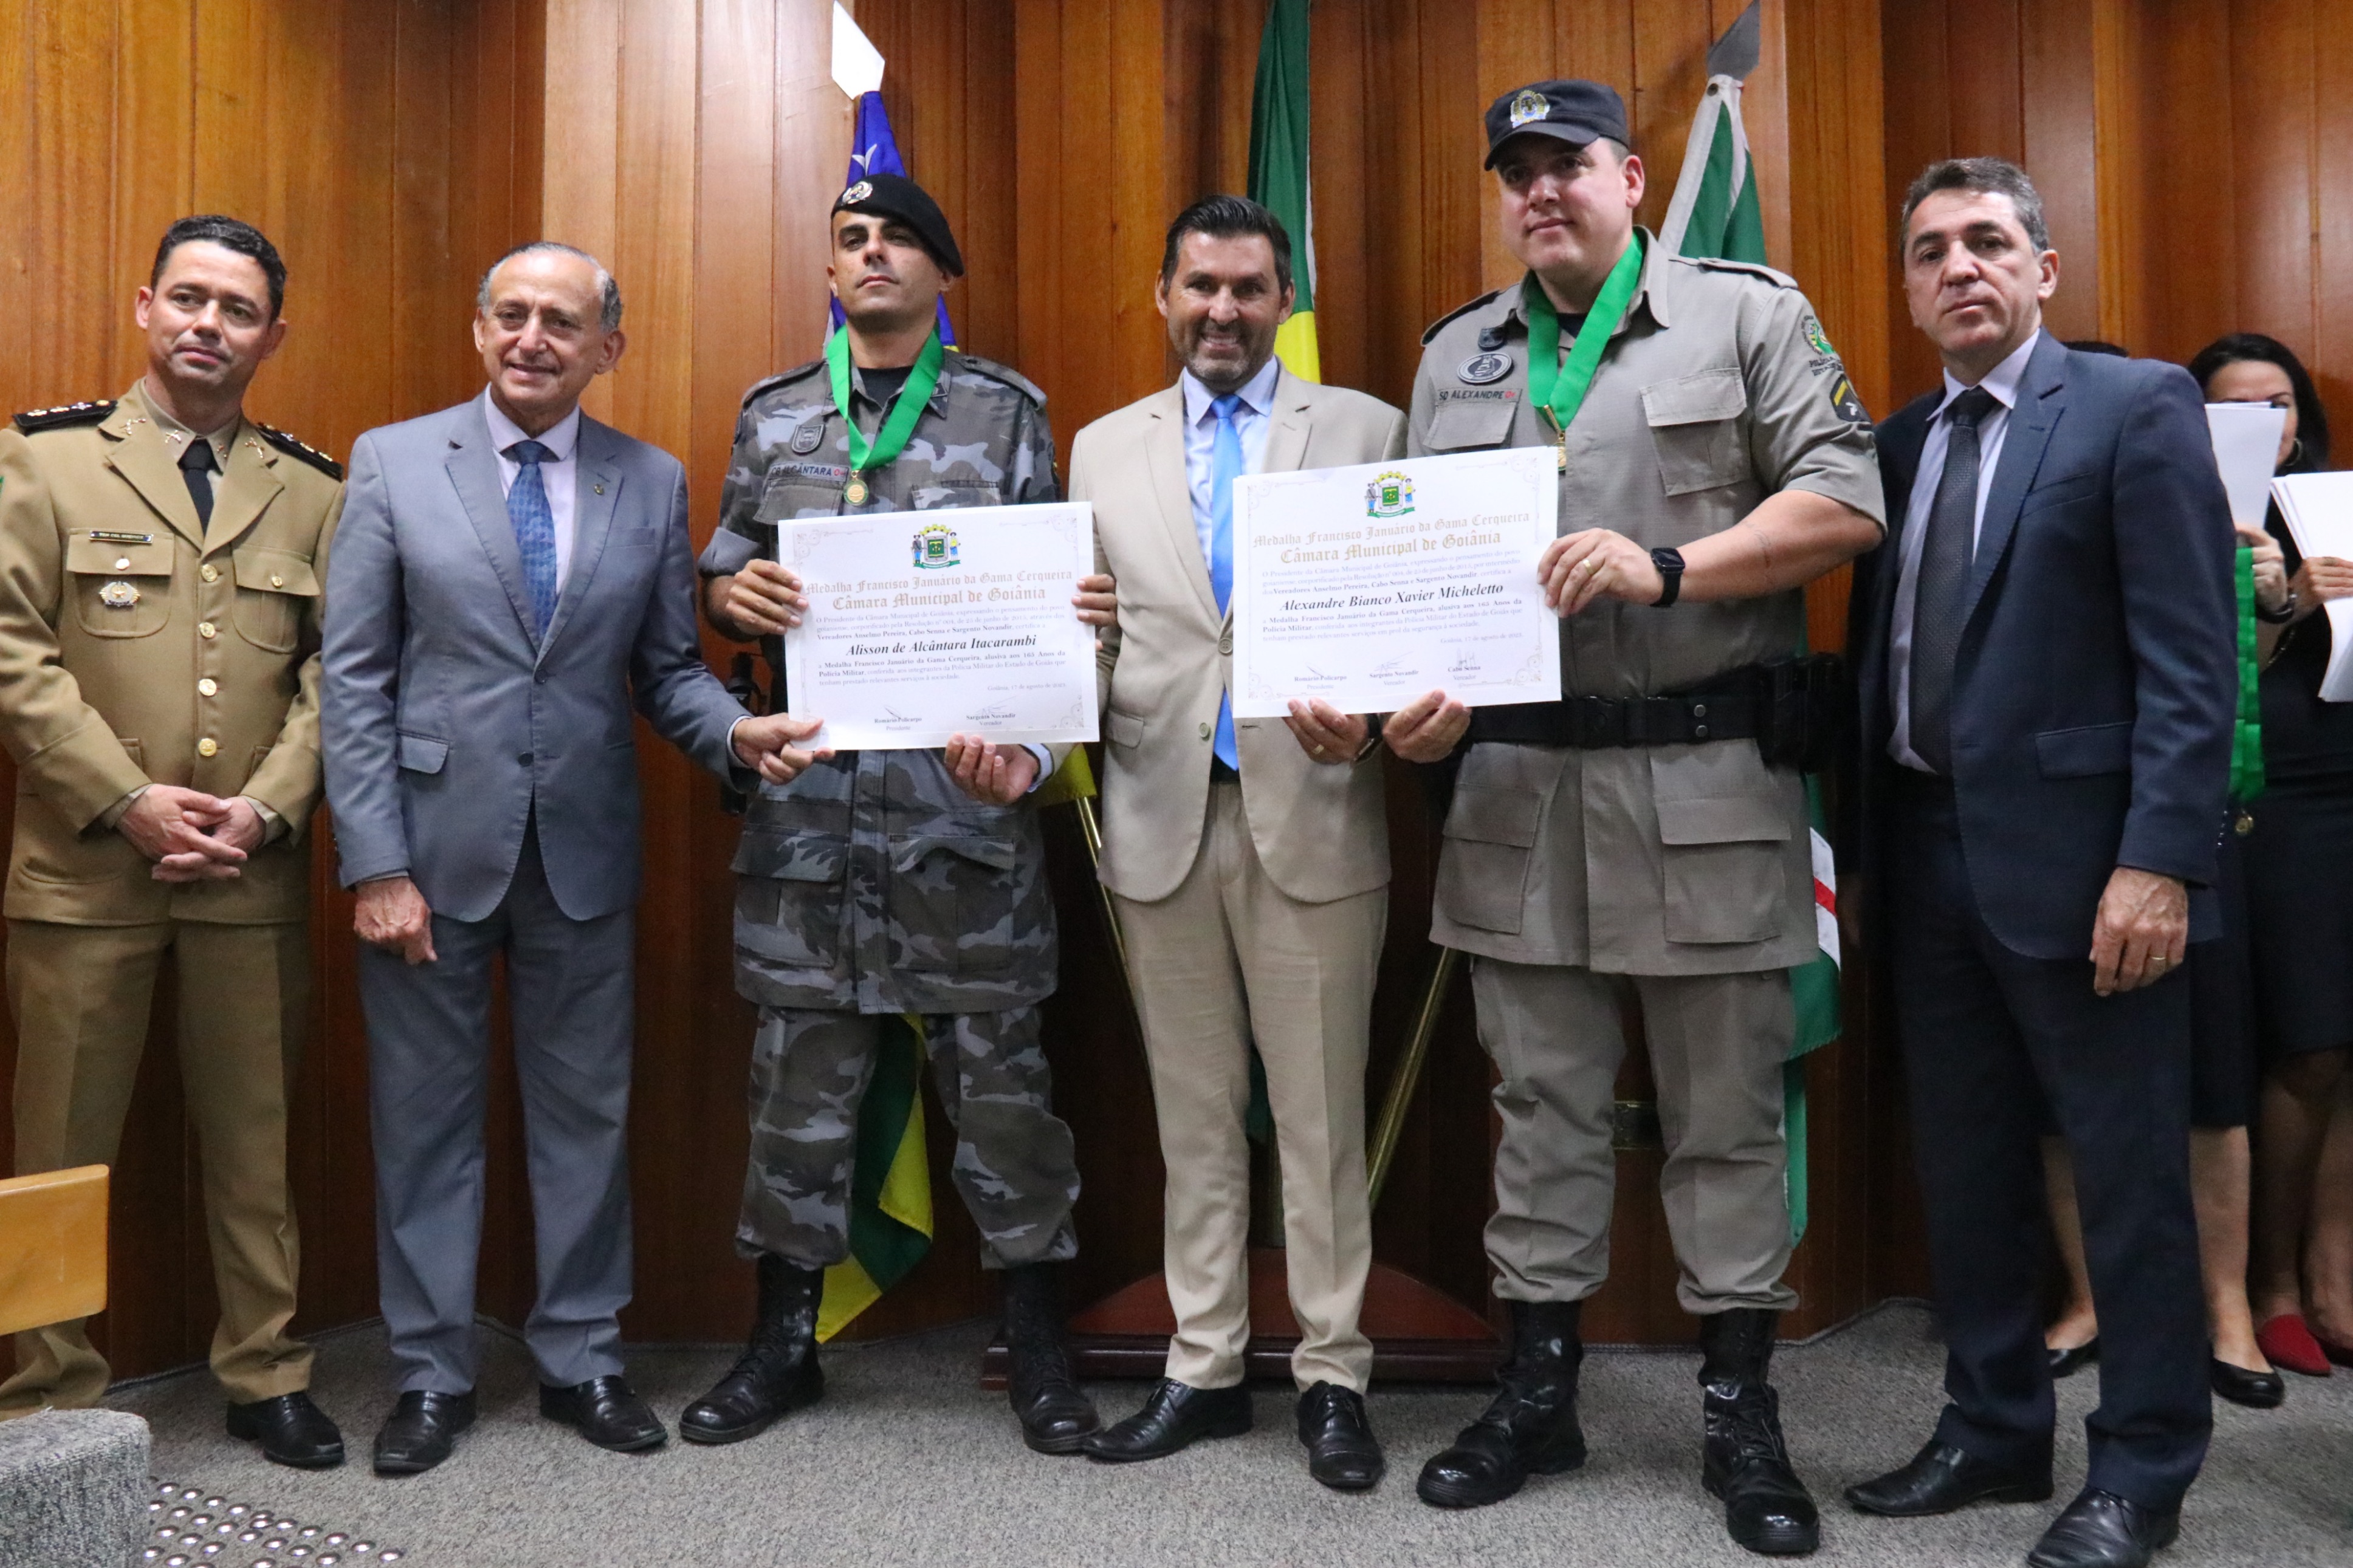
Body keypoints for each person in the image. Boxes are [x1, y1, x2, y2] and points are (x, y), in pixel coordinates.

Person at [1382, 81, 1884, 1555]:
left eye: (1567, 165)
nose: (1540, 192)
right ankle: (1537, 1393)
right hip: (1516, 790)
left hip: (1704, 782)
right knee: (1537, 1104)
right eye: (1516, 173)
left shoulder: (1744, 316)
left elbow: (1846, 502)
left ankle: (1741, 1412)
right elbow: (1416, 570)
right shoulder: (1457, 356)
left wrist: (1668, 569)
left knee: (1724, 1114)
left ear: (1631, 177)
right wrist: (1417, 698)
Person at [321, 241, 816, 1476]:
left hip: (585, 853)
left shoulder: (650, 479)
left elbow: (665, 672)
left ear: (608, 347)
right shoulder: (392, 460)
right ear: (479, 330)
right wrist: (374, 865)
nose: (532, 338)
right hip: (427, 856)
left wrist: (735, 735)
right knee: (423, 1123)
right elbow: (355, 678)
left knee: (586, 1118)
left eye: (561, 321)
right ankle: (430, 1371)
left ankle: (583, 1355)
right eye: (512, 315)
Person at [1844, 159, 2234, 1568]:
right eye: (1930, 249)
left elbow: (2192, 659)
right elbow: (1880, 657)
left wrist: (2159, 861)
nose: (1959, 266)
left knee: (2127, 1181)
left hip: (2089, 872)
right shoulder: (1896, 444)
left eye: (1988, 242)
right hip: (1922, 851)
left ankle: (2142, 1467)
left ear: (2043, 269)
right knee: (1965, 1171)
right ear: (1908, 288)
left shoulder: (2134, 407)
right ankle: (1994, 1425)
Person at [685, 173, 1112, 1457]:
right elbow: (723, 568)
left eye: (900, 240)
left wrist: (1031, 747)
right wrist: (732, 596)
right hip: (810, 821)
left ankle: (1036, 1341)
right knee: (797, 1095)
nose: (873, 255)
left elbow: (1053, 612)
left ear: (941, 271)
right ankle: (784, 1342)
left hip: (959, 824)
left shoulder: (1006, 410)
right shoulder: (775, 413)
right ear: (831, 270)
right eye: (852, 239)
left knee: (1006, 1100)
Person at [1068, 195, 1406, 1491]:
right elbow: (1095, 643)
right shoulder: (1103, 447)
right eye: (1200, 286)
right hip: (1158, 819)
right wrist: (1028, 719)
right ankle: (1203, 1365)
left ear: (1283, 300)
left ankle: (1333, 1374)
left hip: (1313, 811)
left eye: (1248, 288)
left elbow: (1408, 616)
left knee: (1320, 1122)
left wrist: (1376, 721)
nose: (1222, 309)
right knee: (1193, 1119)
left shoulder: (1367, 429)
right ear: (1164, 295)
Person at [0, 216, 347, 1467]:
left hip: (248, 875)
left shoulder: (314, 491)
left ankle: (265, 1368)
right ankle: (48, 1391)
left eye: (237, 309)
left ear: (272, 335)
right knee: (59, 1148)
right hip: (85, 870)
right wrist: (125, 797)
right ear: (145, 306)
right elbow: (12, 650)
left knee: (256, 1145)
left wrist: (266, 807)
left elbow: (336, 680)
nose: (210, 324)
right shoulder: (42, 460)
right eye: (189, 298)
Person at [2034, 337, 2289, 1411]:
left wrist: (2269, 594)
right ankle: (2090, 1295)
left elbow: (2214, 675)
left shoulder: (2194, 490)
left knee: (2212, 1076)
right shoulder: (2026, 502)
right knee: (2063, 1084)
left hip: (2188, 818)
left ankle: (2226, 1308)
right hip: (2054, 818)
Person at [2186, 334, 2353, 1381]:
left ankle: (2331, 1271)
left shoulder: (2336, 502)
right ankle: (2273, 1284)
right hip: (2269, 792)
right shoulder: (2186, 512)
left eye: (2280, 403)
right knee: (2305, 1038)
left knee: (2346, 1040)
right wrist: (2288, 600)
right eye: (2238, 408)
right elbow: (2207, 675)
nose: (2268, 424)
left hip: (2347, 770)